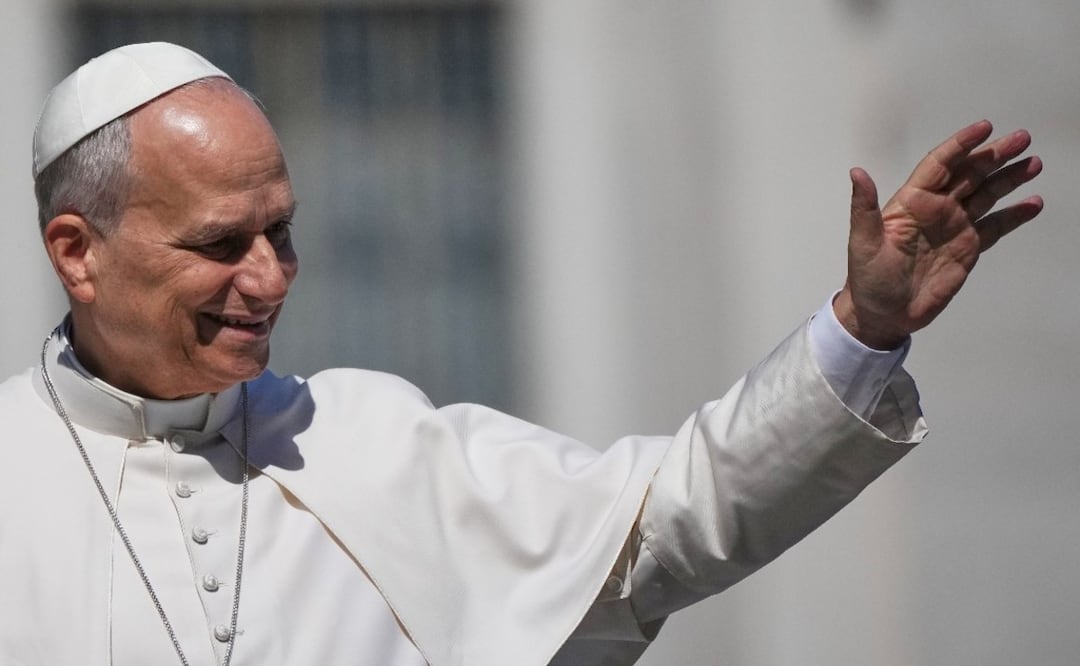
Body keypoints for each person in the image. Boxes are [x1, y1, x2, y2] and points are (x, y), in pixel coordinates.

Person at [0, 42, 1042, 666]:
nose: (270, 279)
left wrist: (863, 330)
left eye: (282, 231)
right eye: (223, 244)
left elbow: (670, 520)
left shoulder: (368, 441)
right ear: (78, 254)